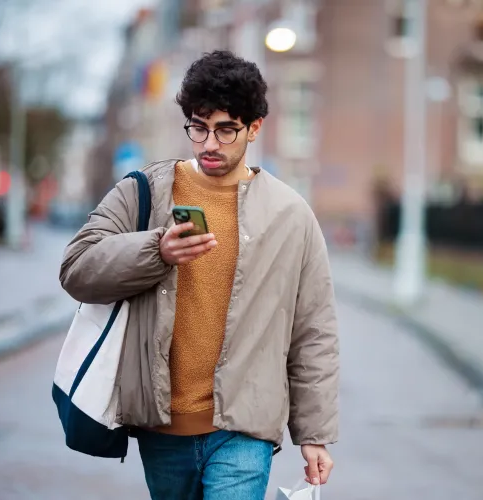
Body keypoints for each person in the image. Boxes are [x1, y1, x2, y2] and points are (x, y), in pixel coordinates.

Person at [59, 50, 339, 500]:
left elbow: (314, 331)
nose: (209, 143)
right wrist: (155, 251)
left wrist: (314, 434)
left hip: (245, 429)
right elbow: (77, 268)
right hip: (163, 427)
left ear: (254, 128)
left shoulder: (291, 214)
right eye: (199, 127)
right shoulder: (144, 191)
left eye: (226, 130)